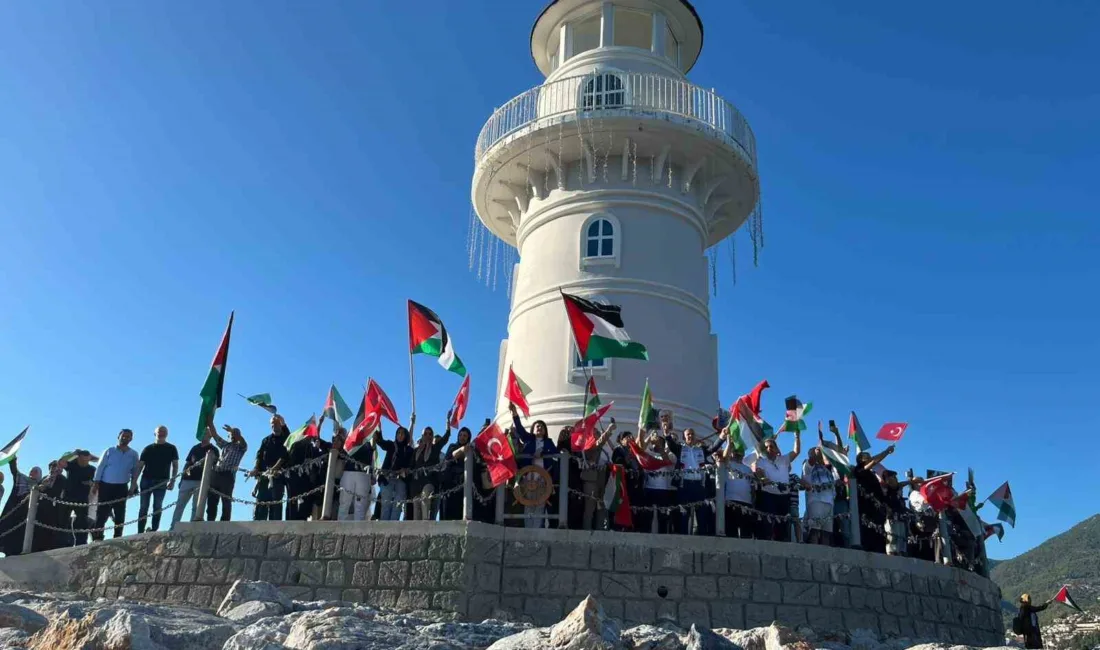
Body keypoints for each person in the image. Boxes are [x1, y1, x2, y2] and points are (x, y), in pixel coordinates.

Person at [509, 403, 558, 529]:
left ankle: (536, 532)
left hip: (543, 478)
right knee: (528, 505)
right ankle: (528, 532)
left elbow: (555, 453)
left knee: (540, 506)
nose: (539, 428)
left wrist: (543, 453)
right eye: (537, 426)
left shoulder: (549, 442)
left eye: (541, 426)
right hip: (528, 477)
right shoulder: (529, 439)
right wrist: (514, 412)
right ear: (533, 429)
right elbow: (519, 428)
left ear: (545, 430)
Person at [752, 432, 801, 542]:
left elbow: (796, 451)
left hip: (784, 496)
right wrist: (763, 478)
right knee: (768, 522)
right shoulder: (761, 461)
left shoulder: (783, 459)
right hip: (768, 495)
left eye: (771, 446)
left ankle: (781, 544)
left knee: (783, 523)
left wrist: (797, 437)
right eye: (766, 447)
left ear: (776, 448)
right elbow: (758, 472)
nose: (769, 449)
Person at [92, 429, 140, 540]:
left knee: (120, 513)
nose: (125, 438)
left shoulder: (133, 454)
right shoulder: (109, 451)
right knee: (102, 513)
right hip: (106, 486)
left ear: (131, 439)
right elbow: (100, 467)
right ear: (118, 436)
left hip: (121, 487)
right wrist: (96, 483)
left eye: (128, 437)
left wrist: (134, 486)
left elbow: (135, 472)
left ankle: (118, 536)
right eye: (123, 436)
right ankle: (98, 536)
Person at [665, 426, 713, 536]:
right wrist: (666, 433)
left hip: (699, 485)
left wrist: (722, 437)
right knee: (683, 515)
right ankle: (683, 539)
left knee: (701, 515)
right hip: (684, 484)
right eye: (688, 434)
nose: (690, 436)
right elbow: (671, 445)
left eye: (692, 434)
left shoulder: (701, 449)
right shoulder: (680, 449)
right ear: (684, 437)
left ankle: (701, 540)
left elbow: (713, 448)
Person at [136, 425, 179, 534]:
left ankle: (154, 530)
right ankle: (140, 531)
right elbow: (140, 466)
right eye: (160, 431)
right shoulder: (148, 448)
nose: (162, 433)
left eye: (164, 431)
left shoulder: (171, 448)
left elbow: (175, 465)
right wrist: (133, 483)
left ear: (167, 434)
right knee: (143, 507)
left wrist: (172, 481)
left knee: (157, 506)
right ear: (155, 434)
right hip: (146, 480)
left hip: (162, 481)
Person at [577, 418, 617, 531]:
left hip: (602, 478)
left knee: (602, 507)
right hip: (590, 479)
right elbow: (599, 443)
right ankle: (587, 531)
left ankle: (601, 530)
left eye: (598, 433)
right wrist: (609, 430)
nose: (597, 435)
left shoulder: (604, 451)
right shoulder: (588, 447)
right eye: (595, 433)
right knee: (590, 507)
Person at [853, 445, 894, 553]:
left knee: (879, 534)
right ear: (861, 460)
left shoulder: (872, 474)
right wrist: (886, 452)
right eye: (867, 456)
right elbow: (874, 461)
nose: (871, 457)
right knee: (868, 533)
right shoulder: (859, 470)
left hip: (877, 508)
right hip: (866, 508)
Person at [172, 432, 219, 526]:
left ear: (210, 436)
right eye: (203, 433)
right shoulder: (195, 448)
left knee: (196, 507)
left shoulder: (214, 450)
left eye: (206, 433)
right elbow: (188, 463)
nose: (203, 435)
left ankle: (193, 527)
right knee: (180, 505)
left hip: (201, 481)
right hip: (187, 480)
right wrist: (181, 479)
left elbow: (214, 467)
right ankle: (173, 526)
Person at [249, 415, 289, 521]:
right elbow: (259, 456)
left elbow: (284, 455)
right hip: (264, 477)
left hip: (277, 477)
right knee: (260, 504)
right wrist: (256, 468)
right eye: (272, 424)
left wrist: (275, 468)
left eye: (276, 424)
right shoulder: (266, 440)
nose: (274, 426)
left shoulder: (285, 439)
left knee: (275, 507)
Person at [411, 422, 451, 521]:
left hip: (429, 481)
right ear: (422, 436)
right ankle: (418, 534)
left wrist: (447, 421)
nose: (428, 436)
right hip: (416, 483)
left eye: (430, 434)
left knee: (425, 498)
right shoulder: (416, 451)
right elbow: (412, 465)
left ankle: (425, 526)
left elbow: (446, 437)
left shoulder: (435, 448)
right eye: (425, 434)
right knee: (416, 509)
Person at [286, 429, 329, 521]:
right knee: (292, 503)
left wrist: (318, 447)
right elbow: (291, 462)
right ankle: (290, 521)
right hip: (295, 479)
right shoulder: (296, 446)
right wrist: (302, 464)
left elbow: (320, 457)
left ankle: (302, 519)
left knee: (305, 503)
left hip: (307, 481)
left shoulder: (312, 448)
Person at [207, 423, 247, 521]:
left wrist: (232, 430)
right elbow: (215, 435)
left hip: (228, 476)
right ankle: (210, 521)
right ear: (229, 436)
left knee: (226, 501)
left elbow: (242, 441)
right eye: (232, 434)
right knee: (212, 500)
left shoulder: (241, 448)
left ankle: (224, 522)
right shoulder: (225, 445)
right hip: (216, 474)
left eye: (236, 434)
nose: (233, 435)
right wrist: (210, 422)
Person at [375, 423, 414, 521]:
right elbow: (381, 442)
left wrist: (405, 469)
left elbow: (412, 465)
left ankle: (393, 530)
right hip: (387, 479)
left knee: (397, 506)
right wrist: (379, 428)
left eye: (402, 433)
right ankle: (383, 531)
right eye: (398, 433)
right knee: (385, 505)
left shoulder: (410, 450)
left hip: (401, 480)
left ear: (406, 436)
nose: (400, 435)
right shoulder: (391, 445)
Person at [719, 434, 755, 539]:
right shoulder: (728, 464)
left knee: (746, 532)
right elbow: (724, 457)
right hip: (731, 500)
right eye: (736, 450)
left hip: (746, 502)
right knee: (731, 531)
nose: (738, 453)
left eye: (741, 451)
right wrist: (729, 443)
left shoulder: (748, 469)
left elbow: (752, 486)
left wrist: (753, 500)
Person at [0, 459, 40, 556]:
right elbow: (15, 471)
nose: (32, 473)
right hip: (14, 512)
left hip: (27, 515)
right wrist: (12, 461)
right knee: (9, 536)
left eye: (35, 472)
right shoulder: (21, 478)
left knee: (21, 537)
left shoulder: (40, 485)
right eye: (31, 471)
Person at [640, 431, 677, 534]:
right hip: (649, 488)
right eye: (655, 441)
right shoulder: (649, 453)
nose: (657, 443)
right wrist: (649, 436)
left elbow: (667, 462)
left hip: (664, 490)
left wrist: (660, 447)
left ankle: (663, 537)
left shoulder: (670, 455)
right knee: (647, 515)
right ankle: (645, 536)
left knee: (663, 516)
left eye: (660, 441)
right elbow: (641, 448)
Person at [338, 426, 375, 522]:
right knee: (344, 503)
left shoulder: (369, 445)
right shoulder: (349, 442)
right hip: (348, 472)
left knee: (360, 505)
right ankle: (340, 530)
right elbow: (342, 453)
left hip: (363, 475)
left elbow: (371, 462)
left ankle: (359, 532)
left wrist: (372, 475)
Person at [61, 450, 97, 545]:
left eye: (87, 458)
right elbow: (60, 462)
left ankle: (81, 543)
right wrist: (73, 453)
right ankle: (61, 543)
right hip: (68, 496)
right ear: (79, 458)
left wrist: (90, 483)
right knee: (63, 520)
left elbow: (96, 482)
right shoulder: (72, 465)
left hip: (82, 498)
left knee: (82, 522)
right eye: (82, 458)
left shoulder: (92, 469)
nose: (84, 461)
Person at [802, 446, 836, 546]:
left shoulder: (828, 471)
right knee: (814, 530)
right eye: (815, 452)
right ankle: (815, 551)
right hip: (816, 501)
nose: (819, 453)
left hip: (829, 503)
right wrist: (815, 454)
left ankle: (825, 554)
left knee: (827, 532)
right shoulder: (808, 466)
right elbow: (812, 460)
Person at [440, 426, 471, 521]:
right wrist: (461, 450)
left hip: (462, 486)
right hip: (449, 484)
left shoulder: (471, 451)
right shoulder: (453, 446)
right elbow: (450, 457)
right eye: (461, 435)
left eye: (465, 435)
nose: (462, 437)